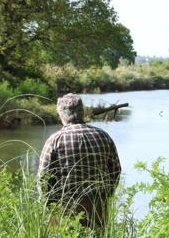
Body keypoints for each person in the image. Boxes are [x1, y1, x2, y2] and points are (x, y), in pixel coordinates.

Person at [38, 93, 121, 229]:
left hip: (66, 208)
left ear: (61, 113)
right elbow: (115, 171)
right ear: (82, 112)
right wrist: (106, 197)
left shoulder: (55, 140)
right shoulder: (103, 136)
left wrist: (47, 207)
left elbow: (43, 179)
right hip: (98, 206)